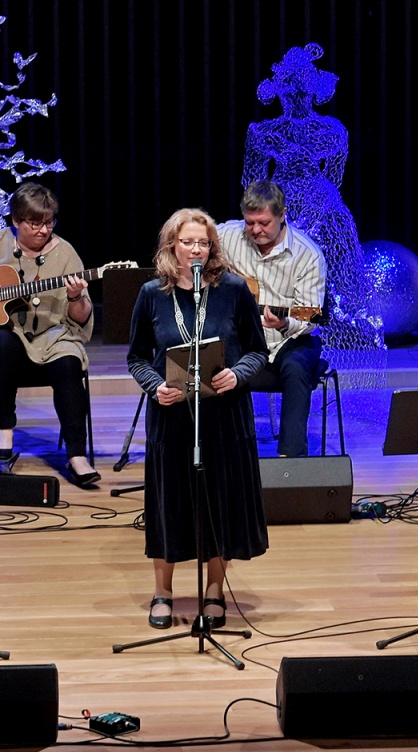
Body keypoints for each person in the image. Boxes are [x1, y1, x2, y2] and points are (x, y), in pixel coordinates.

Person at [127, 209, 270, 629]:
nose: (196, 250)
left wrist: (238, 374)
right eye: (188, 242)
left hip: (224, 414)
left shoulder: (234, 290)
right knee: (169, 503)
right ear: (172, 245)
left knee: (218, 503)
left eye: (203, 243)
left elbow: (258, 351)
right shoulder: (152, 294)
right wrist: (155, 385)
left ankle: (214, 592)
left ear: (212, 248)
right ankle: (163, 592)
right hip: (172, 415)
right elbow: (136, 357)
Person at [0, 182, 99, 487]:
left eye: (49, 222)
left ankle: (77, 455)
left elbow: (80, 317)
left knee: (69, 362)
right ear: (15, 220)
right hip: (4, 345)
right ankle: (5, 430)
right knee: (0, 341)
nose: (43, 230)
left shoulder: (66, 253)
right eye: (35, 223)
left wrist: (77, 297)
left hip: (52, 339)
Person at [218, 180, 326, 457]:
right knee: (208, 361)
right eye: (250, 223)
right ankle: (219, 453)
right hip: (242, 337)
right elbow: (193, 238)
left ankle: (290, 458)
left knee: (296, 368)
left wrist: (286, 323)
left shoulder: (308, 255)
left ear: (282, 215)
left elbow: (311, 315)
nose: (255, 230)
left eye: (264, 223)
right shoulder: (229, 235)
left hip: (291, 338)